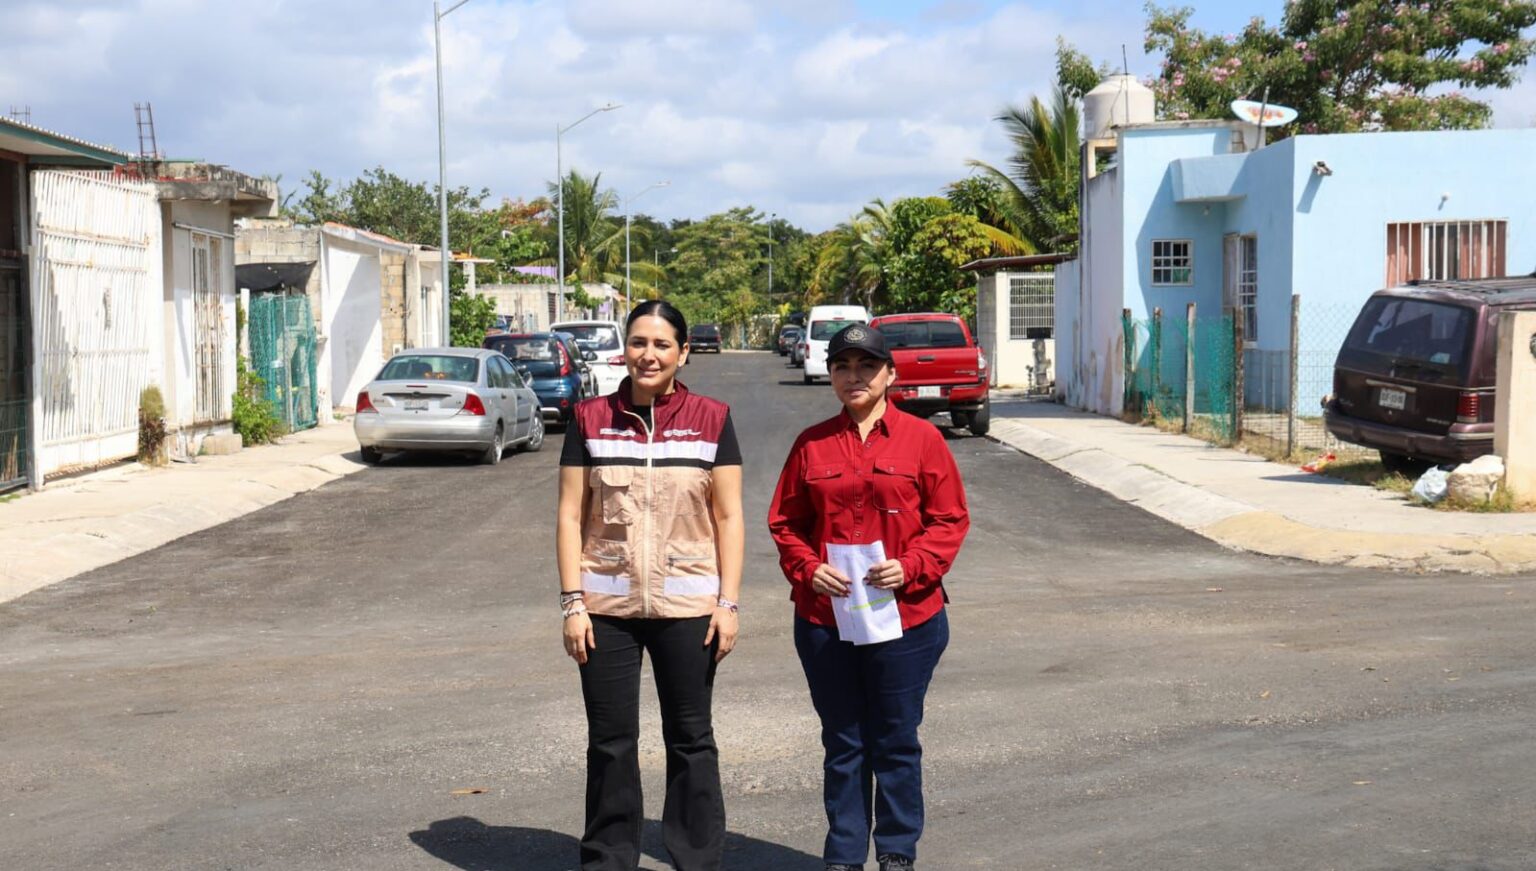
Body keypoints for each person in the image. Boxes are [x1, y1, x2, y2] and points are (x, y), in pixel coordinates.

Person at [767, 324, 969, 871]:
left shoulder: (922, 440)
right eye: (842, 366)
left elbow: (950, 519)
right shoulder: (811, 444)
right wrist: (808, 569)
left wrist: (912, 565)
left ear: (890, 374)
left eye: (866, 366)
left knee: (895, 739)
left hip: (906, 618)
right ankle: (845, 855)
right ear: (830, 374)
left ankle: (897, 853)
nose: (853, 376)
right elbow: (785, 522)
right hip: (826, 620)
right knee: (844, 741)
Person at [555, 300, 744, 871]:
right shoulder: (590, 418)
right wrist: (573, 603)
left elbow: (729, 516)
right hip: (605, 608)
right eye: (639, 342)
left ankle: (697, 859)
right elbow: (569, 514)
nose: (649, 355)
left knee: (691, 738)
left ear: (683, 352)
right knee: (610, 741)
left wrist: (728, 603)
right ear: (625, 349)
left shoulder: (712, 418)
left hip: (689, 607)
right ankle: (609, 859)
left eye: (662, 344)